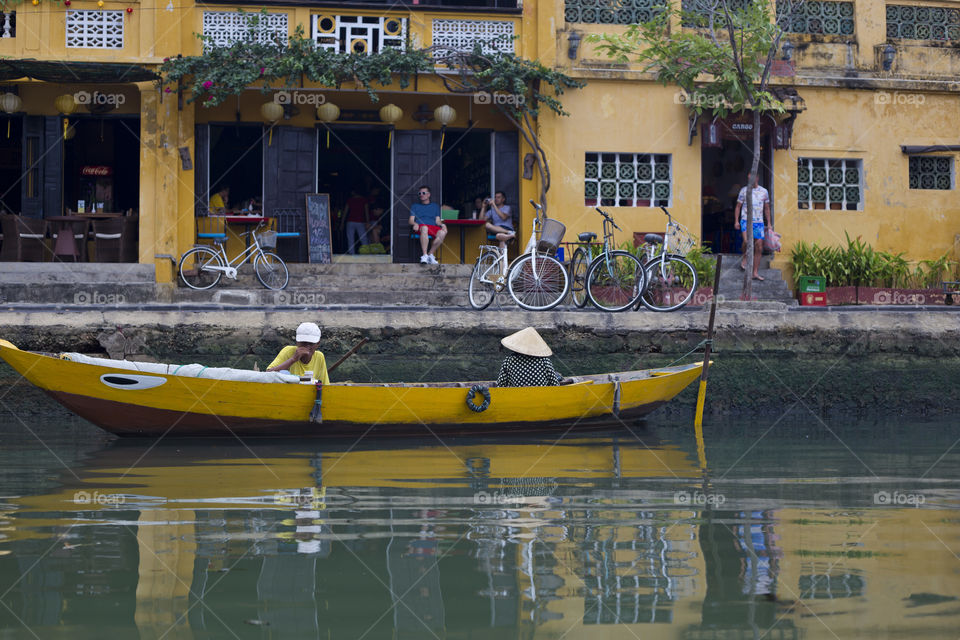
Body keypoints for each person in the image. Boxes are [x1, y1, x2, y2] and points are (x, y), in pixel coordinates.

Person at [496, 327, 563, 388]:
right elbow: (555, 385)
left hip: (519, 397)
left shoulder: (509, 361)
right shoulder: (544, 361)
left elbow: (501, 385)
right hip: (541, 398)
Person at [734, 175, 771, 281]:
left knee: (759, 246)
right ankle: (745, 256)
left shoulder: (764, 191)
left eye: (753, 177)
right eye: (749, 178)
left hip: (758, 222)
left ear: (757, 178)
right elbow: (738, 207)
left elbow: (767, 208)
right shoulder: (744, 190)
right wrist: (736, 221)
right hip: (746, 220)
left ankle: (755, 272)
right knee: (746, 241)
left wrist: (769, 223)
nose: (751, 179)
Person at [408, 185, 447, 265]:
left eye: (423, 193)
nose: (421, 194)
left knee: (443, 232)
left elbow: (437, 220)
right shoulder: (415, 206)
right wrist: (415, 224)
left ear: (428, 194)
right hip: (421, 227)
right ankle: (424, 255)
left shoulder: (435, 206)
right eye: (419, 193)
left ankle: (430, 254)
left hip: (432, 227)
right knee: (425, 227)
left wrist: (442, 225)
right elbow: (411, 220)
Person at [344, 189, 371, 255]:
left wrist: (342, 223)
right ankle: (366, 253)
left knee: (350, 239)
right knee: (363, 238)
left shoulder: (350, 200)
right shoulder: (364, 200)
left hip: (350, 221)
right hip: (360, 222)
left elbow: (345, 212)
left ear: (354, 192)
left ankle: (351, 254)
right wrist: (368, 222)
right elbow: (366, 212)